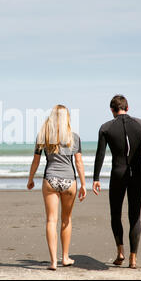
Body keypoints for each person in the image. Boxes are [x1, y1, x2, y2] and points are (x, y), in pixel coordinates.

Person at [92, 95, 141, 269]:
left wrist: (96, 178)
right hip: (138, 174)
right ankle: (133, 258)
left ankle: (120, 252)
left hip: (118, 174)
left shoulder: (105, 128)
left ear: (112, 110)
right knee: (135, 216)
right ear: (127, 107)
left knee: (115, 214)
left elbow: (100, 154)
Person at [27, 104, 87, 270]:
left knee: (51, 220)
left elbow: (36, 161)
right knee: (66, 219)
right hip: (69, 181)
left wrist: (30, 179)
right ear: (67, 118)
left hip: (50, 180)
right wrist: (83, 184)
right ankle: (65, 257)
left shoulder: (43, 136)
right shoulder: (74, 137)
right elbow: (79, 162)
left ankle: (53, 261)